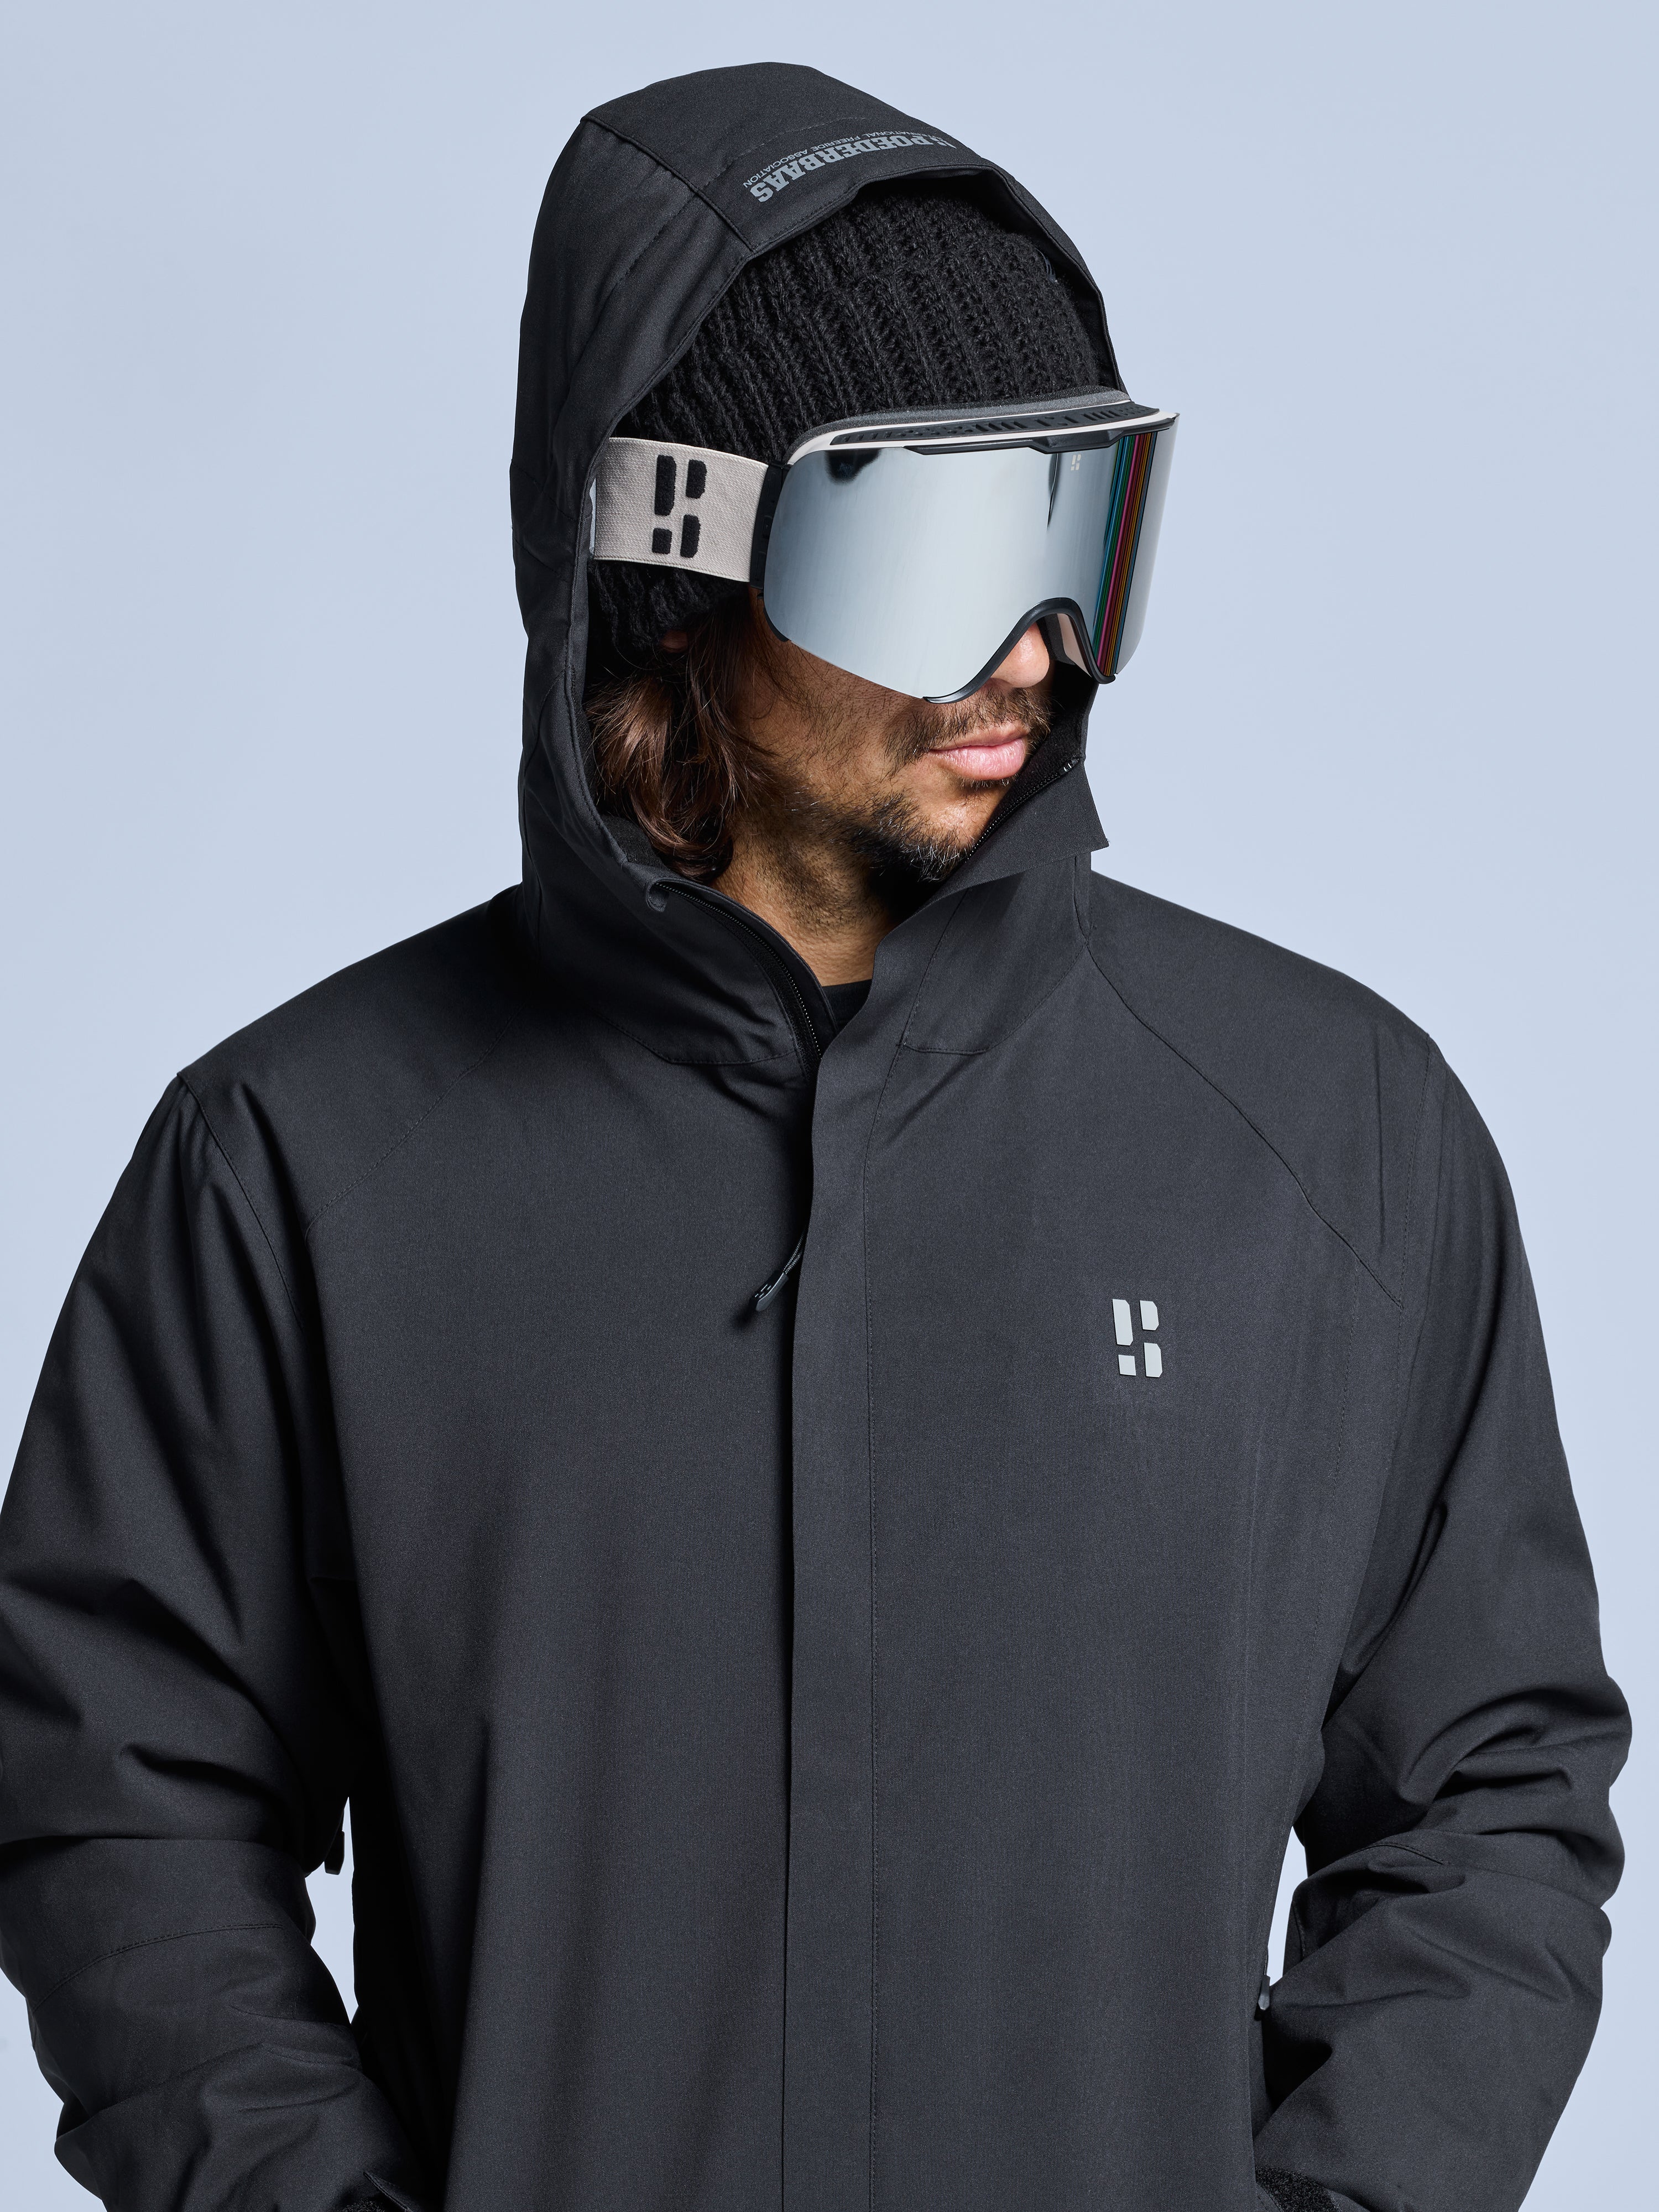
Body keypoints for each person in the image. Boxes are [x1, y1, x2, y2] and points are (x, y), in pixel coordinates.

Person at [0, 60, 1626, 2212]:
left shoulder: (1333, 1139)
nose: (1032, 650)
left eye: (1079, 525)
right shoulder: (298, 1168)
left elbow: (1489, 1793)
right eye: (935, 547)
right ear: (673, 549)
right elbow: (119, 1795)